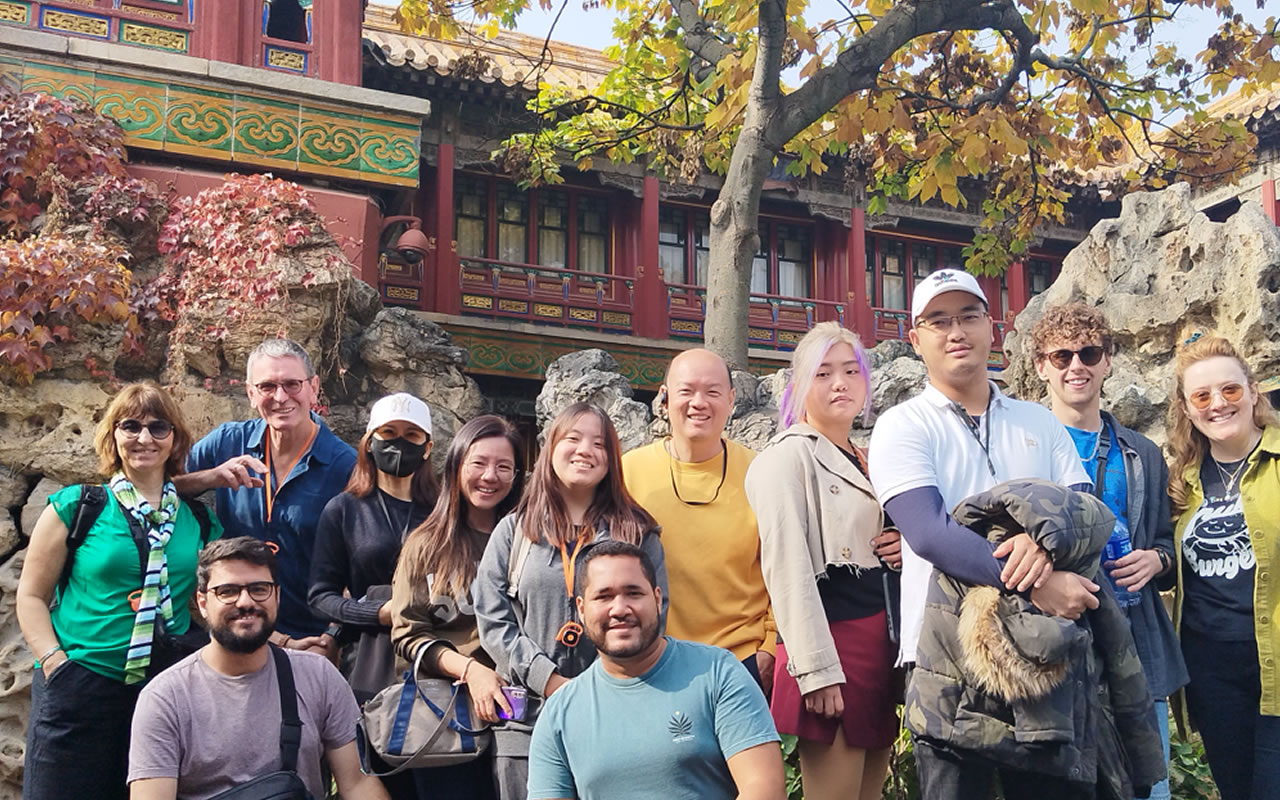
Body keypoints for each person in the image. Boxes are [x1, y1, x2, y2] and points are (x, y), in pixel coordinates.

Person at [866, 269, 1097, 798]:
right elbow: (928, 533)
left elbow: (1085, 511)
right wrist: (1036, 581)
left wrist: (1044, 544)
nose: (956, 332)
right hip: (950, 657)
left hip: (1046, 651)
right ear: (916, 338)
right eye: (938, 321)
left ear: (992, 327)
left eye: (969, 316)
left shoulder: (1039, 422)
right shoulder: (903, 425)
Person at [17, 382, 221, 800]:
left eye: (158, 427)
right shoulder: (78, 507)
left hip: (163, 691)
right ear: (113, 436)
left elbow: (209, 603)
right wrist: (56, 663)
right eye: (131, 426)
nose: (144, 438)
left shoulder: (198, 521)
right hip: (81, 684)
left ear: (175, 439)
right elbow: (31, 596)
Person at [1030, 303, 1187, 800]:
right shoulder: (1025, 445)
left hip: (1135, 635)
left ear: (1108, 361)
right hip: (1058, 637)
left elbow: (1166, 544)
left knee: (1150, 785)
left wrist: (1158, 560)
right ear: (1041, 367)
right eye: (1061, 356)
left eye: (1088, 353)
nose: (1076, 366)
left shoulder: (1141, 452)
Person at [473, 402, 668, 800]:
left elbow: (655, 615)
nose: (585, 450)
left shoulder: (637, 533)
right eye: (573, 438)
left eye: (599, 443)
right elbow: (493, 621)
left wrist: (600, 686)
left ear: (612, 459)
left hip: (617, 712)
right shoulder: (515, 530)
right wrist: (549, 681)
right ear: (550, 447)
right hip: (526, 721)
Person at [744, 322, 902, 800]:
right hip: (833, 642)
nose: (840, 383)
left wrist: (903, 544)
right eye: (823, 373)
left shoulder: (871, 457)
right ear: (799, 387)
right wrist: (816, 672)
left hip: (879, 643)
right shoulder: (786, 458)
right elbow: (787, 569)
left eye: (851, 371)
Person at [127, 537, 389, 800]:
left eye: (259, 589)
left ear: (277, 596)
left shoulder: (318, 676)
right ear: (203, 603)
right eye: (227, 591)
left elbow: (358, 785)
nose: (245, 602)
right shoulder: (165, 698)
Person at [527, 541, 784, 800]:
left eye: (634, 593)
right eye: (604, 596)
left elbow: (764, 787)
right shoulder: (560, 714)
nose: (619, 609)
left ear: (657, 599)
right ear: (581, 609)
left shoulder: (718, 673)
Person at [178, 338, 356, 655]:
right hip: (234, 630)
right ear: (250, 393)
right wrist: (211, 477)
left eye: (292, 384)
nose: (280, 397)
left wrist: (331, 638)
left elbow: (358, 566)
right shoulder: (227, 443)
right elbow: (157, 487)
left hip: (310, 640)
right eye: (267, 387)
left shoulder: (346, 465)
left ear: (313, 387)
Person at [622, 348, 776, 693]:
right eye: (686, 391)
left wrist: (770, 644)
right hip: (652, 660)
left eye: (713, 392)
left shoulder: (762, 472)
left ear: (732, 399)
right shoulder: (627, 471)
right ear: (664, 398)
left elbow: (783, 566)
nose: (699, 402)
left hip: (742, 659)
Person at [1166, 335, 1280, 800]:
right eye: (1202, 396)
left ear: (1253, 391)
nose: (1218, 404)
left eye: (1230, 390)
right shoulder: (1180, 482)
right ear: (1188, 409)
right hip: (1211, 673)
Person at [390, 414, 526, 800]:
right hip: (448, 716)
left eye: (504, 467)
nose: (490, 476)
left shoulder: (531, 541)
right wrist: (471, 671)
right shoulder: (427, 545)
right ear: (456, 465)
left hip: (519, 713)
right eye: (479, 463)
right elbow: (407, 633)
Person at [309, 392, 439, 702]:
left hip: (434, 651)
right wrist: (377, 613)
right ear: (370, 442)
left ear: (427, 447)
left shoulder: (442, 512)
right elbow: (319, 597)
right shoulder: (343, 509)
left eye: (412, 435)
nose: (399, 443)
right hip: (366, 656)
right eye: (389, 433)